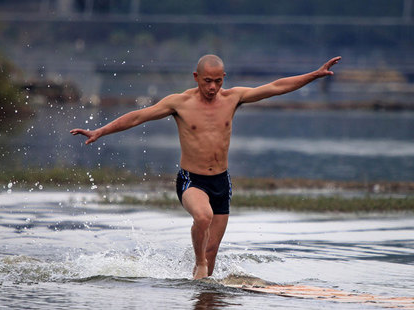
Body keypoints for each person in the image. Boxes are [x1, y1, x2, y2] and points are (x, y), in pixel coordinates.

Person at [71, 54, 341, 279]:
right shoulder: (180, 103)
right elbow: (138, 116)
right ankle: (198, 263)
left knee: (211, 255)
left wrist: (313, 75)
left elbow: (276, 87)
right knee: (202, 218)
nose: (213, 87)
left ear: (225, 78)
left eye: (218, 81)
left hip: (221, 182)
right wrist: (100, 131)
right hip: (192, 181)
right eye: (208, 81)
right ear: (196, 77)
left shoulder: (234, 98)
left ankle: (202, 292)